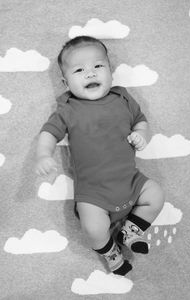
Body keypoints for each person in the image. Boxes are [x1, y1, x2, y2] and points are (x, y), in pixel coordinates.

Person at [35, 35, 164, 276]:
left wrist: (141, 134)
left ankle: (131, 229)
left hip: (131, 182)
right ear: (66, 82)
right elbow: (48, 133)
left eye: (98, 66)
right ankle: (110, 252)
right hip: (93, 194)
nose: (91, 74)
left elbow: (140, 121)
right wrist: (43, 154)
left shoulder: (122, 97)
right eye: (79, 70)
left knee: (156, 195)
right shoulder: (68, 108)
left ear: (110, 71)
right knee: (93, 229)